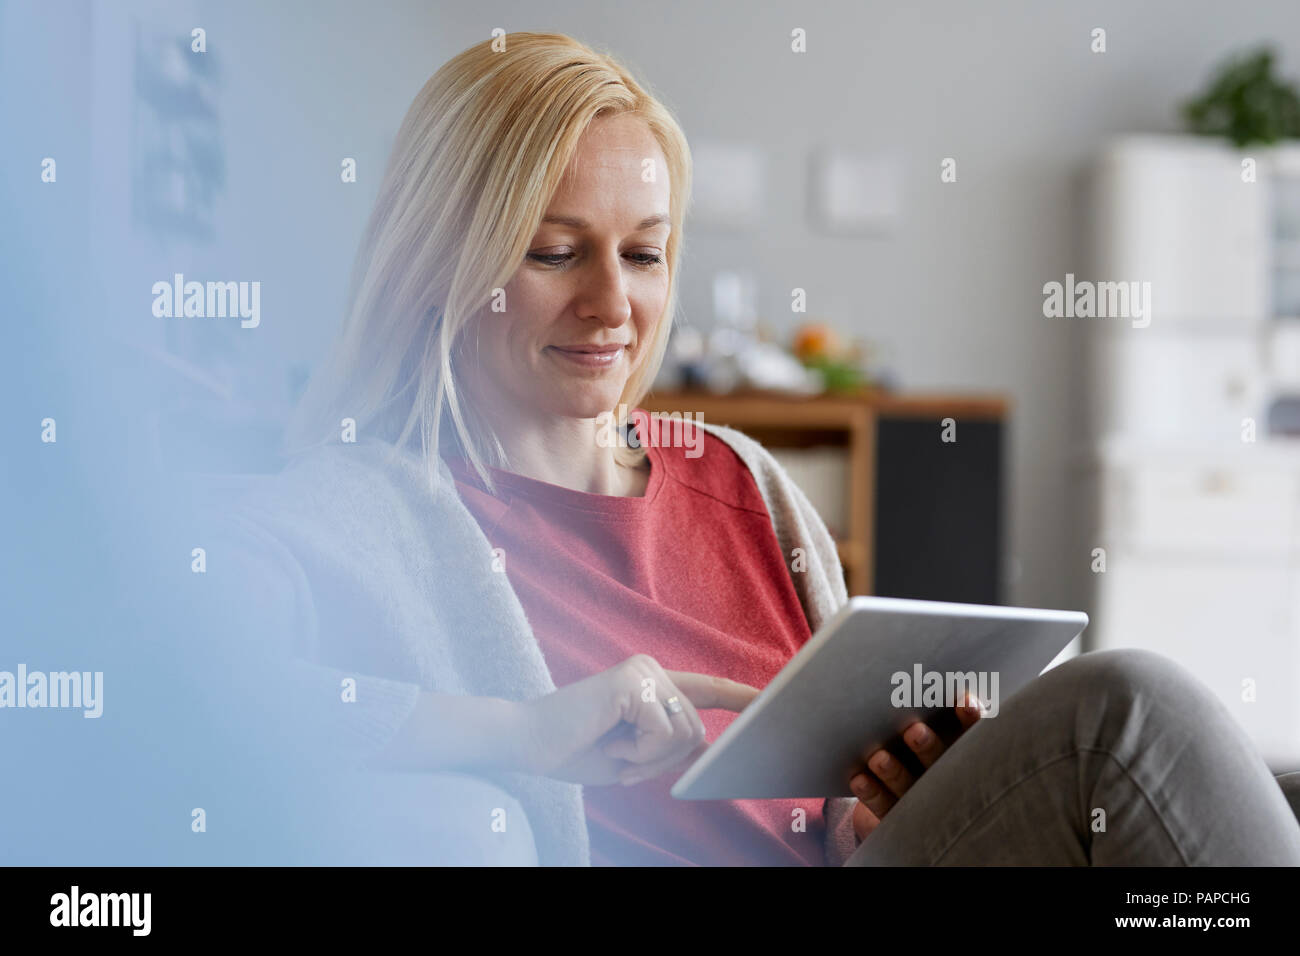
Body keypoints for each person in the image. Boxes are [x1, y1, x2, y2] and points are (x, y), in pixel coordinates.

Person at [210, 31, 1300, 866]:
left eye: (643, 254)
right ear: (441, 256)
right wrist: (519, 727)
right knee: (1120, 720)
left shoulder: (736, 478)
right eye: (553, 252)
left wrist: (862, 814)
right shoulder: (356, 508)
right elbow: (157, 683)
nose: (611, 305)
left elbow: (817, 807)